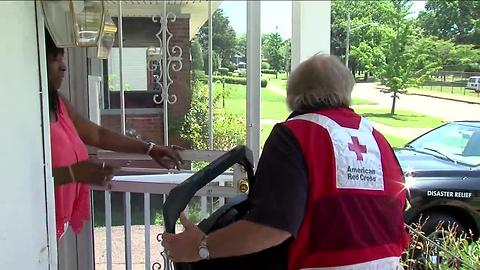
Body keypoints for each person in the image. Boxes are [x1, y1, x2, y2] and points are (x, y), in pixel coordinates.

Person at [161, 54, 410, 269]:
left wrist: (200, 248)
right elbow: (397, 209)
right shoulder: (376, 138)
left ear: (293, 95)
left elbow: (272, 227)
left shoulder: (295, 134)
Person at [45, 31, 183, 240]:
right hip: (34, 221)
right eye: (55, 59)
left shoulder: (58, 103)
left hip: (55, 222)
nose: (63, 66)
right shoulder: (26, 114)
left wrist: (150, 149)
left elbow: (98, 134)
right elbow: (22, 181)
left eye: (62, 58)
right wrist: (73, 174)